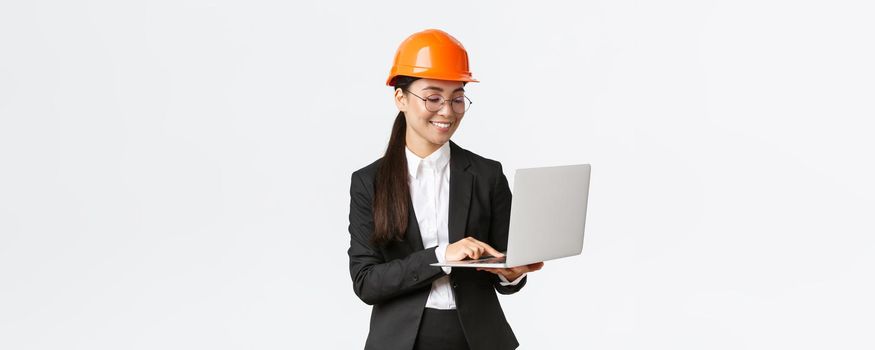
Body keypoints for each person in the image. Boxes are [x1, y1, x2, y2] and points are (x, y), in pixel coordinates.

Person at [347, 29, 544, 350]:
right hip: (400, 340)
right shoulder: (370, 182)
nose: (448, 111)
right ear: (401, 98)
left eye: (457, 98)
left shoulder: (486, 174)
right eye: (433, 97)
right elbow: (366, 282)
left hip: (478, 338)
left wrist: (512, 273)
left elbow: (503, 271)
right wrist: (441, 256)